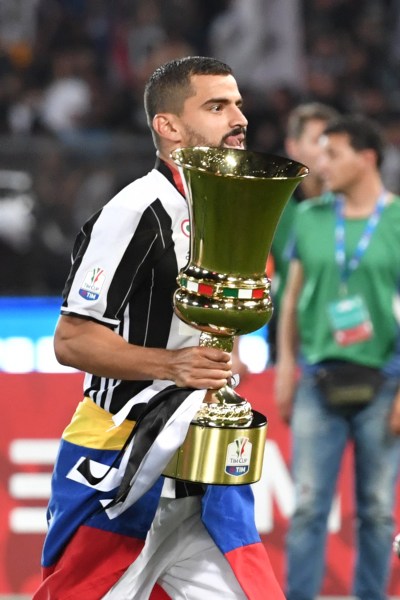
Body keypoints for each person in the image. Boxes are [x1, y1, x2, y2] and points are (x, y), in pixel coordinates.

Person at [33, 56, 284, 600]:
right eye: (217, 106)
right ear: (168, 127)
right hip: (122, 463)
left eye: (238, 103)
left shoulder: (229, 205)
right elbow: (71, 339)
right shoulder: (136, 210)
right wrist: (173, 365)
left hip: (206, 468)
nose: (238, 117)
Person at [275, 114, 400, 600]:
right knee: (308, 507)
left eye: (332, 153)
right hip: (317, 378)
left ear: (366, 158)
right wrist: (286, 367)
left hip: (386, 379)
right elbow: (291, 300)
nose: (319, 163)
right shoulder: (309, 218)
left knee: (378, 510)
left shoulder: (397, 220)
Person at [268, 102, 339, 362]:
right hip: (290, 330)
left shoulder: (352, 202)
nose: (325, 149)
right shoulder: (273, 206)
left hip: (345, 332)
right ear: (293, 147)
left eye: (330, 141)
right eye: (316, 140)